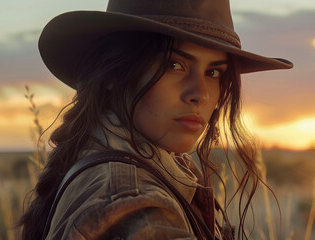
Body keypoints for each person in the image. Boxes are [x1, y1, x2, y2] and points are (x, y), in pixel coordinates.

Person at [19, 0, 293, 239]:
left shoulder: (126, 170)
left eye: (213, 73)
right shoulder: (127, 196)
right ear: (115, 73)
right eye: (174, 65)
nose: (200, 94)